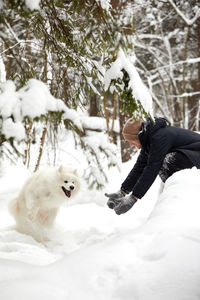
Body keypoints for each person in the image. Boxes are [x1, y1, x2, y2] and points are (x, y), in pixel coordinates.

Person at [105, 117, 200, 215]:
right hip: (190, 156)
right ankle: (173, 192)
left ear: (138, 135)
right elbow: (139, 167)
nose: (130, 144)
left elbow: (152, 168)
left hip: (197, 155)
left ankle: (180, 194)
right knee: (164, 163)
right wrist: (122, 192)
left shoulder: (159, 137)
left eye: (131, 140)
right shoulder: (149, 139)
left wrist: (133, 198)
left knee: (166, 162)